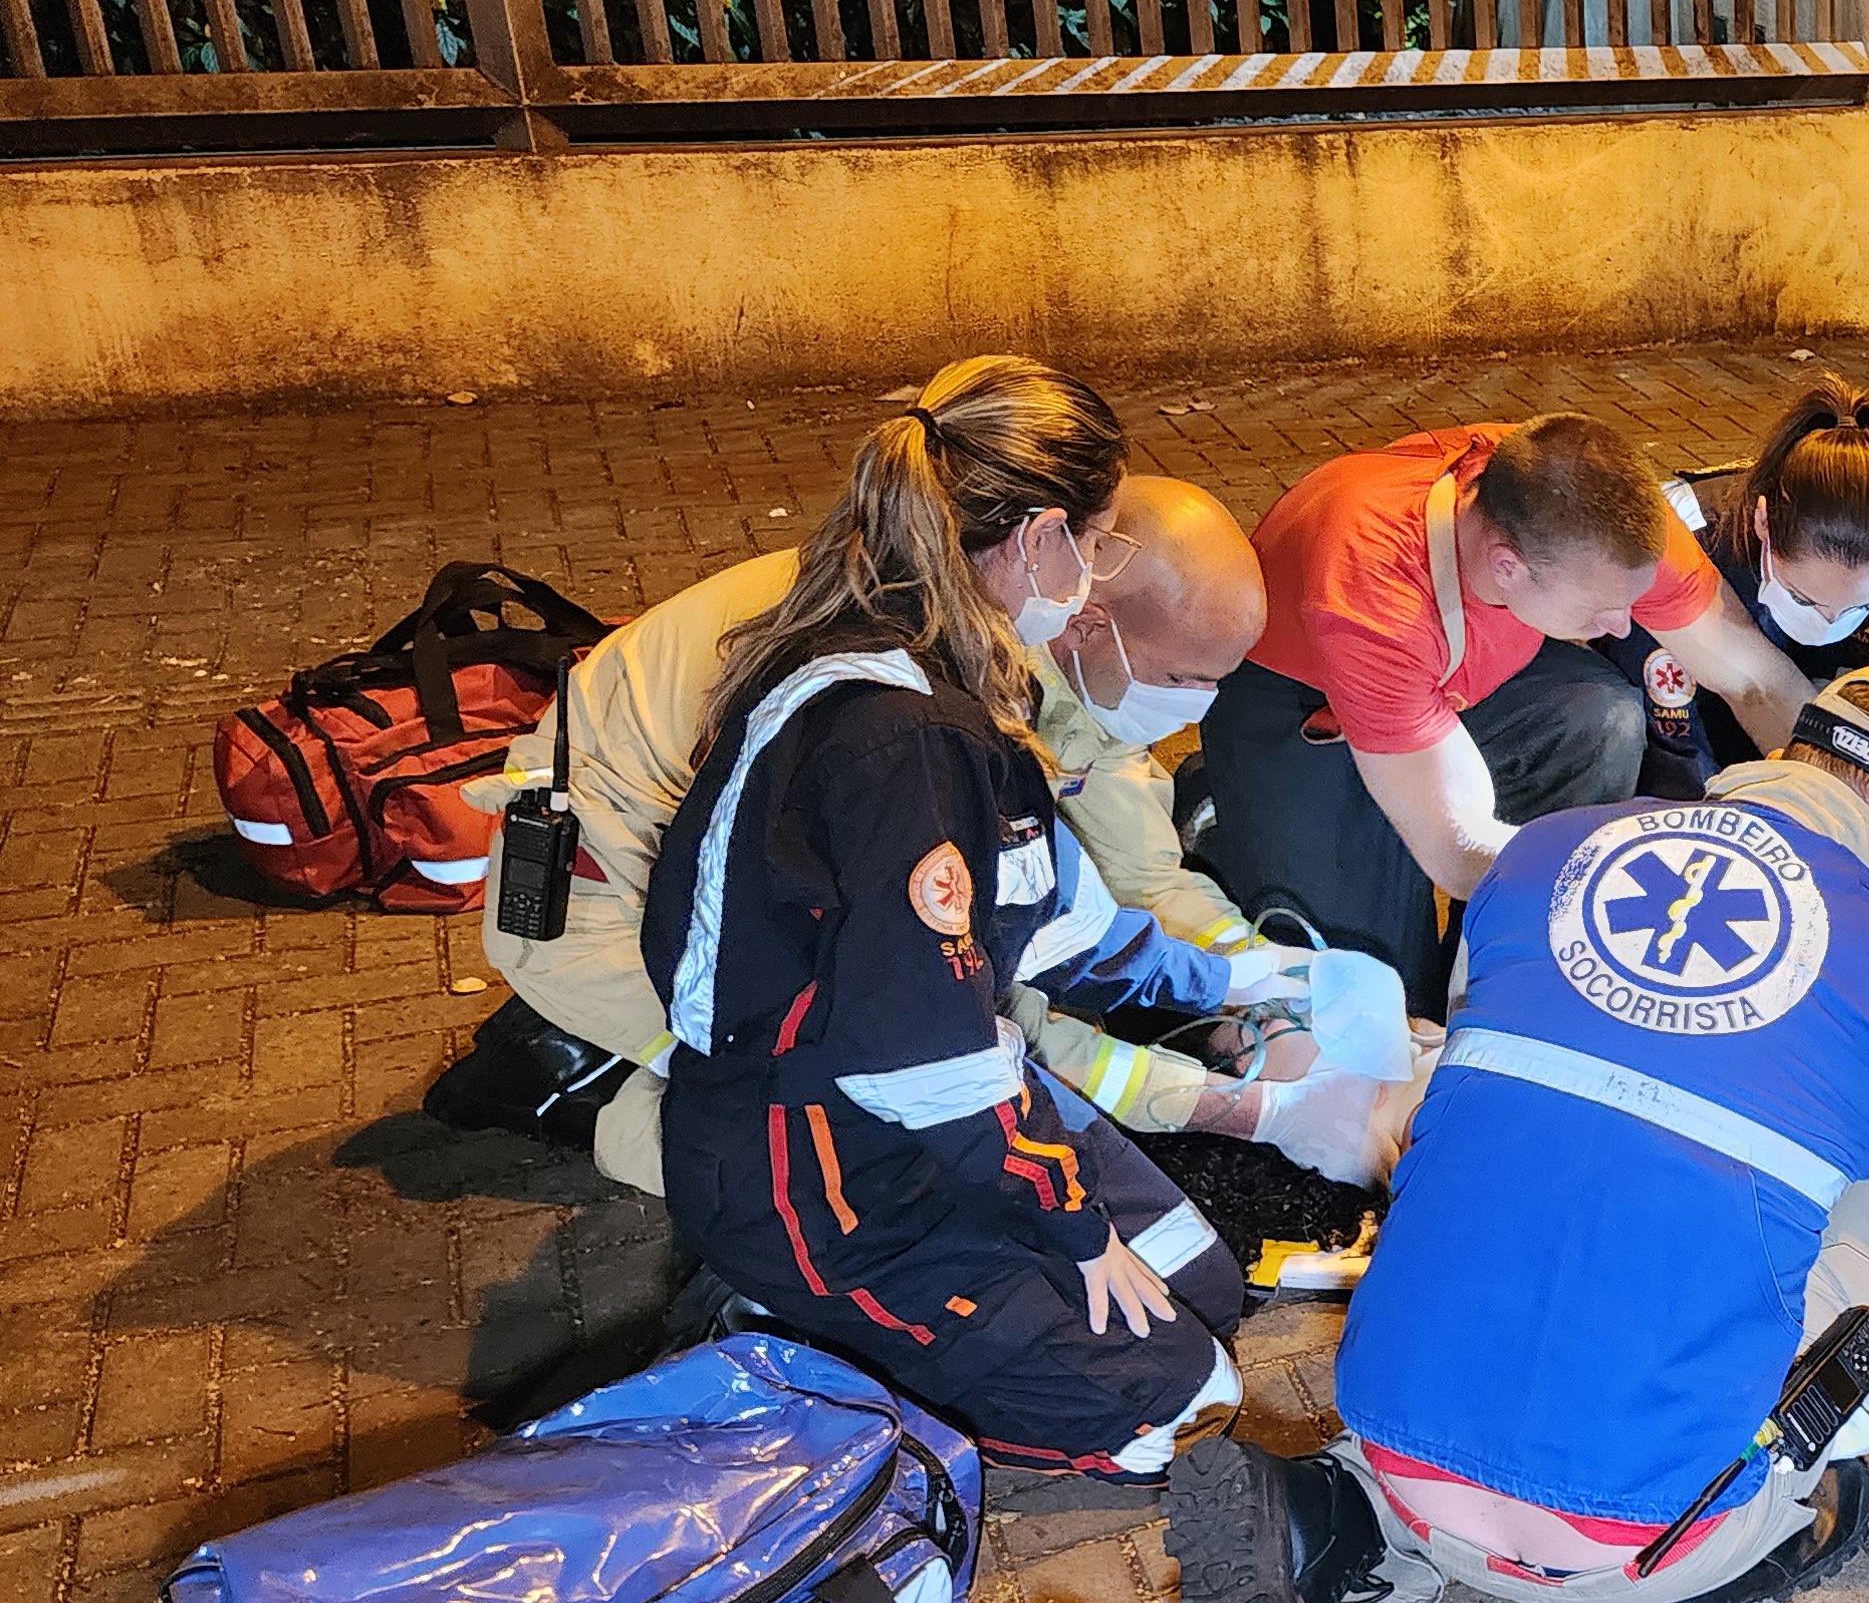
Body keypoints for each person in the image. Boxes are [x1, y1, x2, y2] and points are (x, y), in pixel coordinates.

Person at [641, 358, 1408, 1603]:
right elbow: (921, 1062)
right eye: (1099, 535)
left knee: (1206, 1284)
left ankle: (936, 1331)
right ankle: (803, 1341)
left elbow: (1068, 935)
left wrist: (1260, 985)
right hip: (821, 1169)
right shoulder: (902, 738)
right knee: (1166, 1400)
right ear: (1043, 543)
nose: (1099, 571)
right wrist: (1068, 1219)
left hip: (926, 1105)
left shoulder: (946, 701)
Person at [1325, 665, 1869, 1603]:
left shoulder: (1539, 852)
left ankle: (1336, 1517)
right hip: (1649, 1534)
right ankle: (1754, 1531)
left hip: (1393, 1451)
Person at [458, 475, 1401, 1198]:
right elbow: (971, 1033)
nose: (1196, 706)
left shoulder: (1032, 630)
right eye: (1186, 678)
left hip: (701, 861)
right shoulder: (919, 721)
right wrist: (1250, 1111)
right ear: (1095, 618)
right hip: (593, 905)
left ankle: (642, 1050)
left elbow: (1139, 872)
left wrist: (1274, 979)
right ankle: (603, 1100)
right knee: (880, 1133)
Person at [1187, 414, 1824, 1016]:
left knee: (1603, 717)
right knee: (1382, 993)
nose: (1624, 627)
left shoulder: (1600, 518)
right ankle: (1222, 819)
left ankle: (1507, 953)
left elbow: (1759, 682)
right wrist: (1641, 887)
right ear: (1506, 566)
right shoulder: (1373, 592)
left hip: (1445, 677)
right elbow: (1457, 849)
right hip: (1301, 695)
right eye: (1600, 611)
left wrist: (1850, 809)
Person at [1606, 373, 1869, 793]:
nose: (1827, 623)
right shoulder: (1686, 539)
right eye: (1801, 599)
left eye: (1858, 609)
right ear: (1762, 522)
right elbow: (1674, 714)